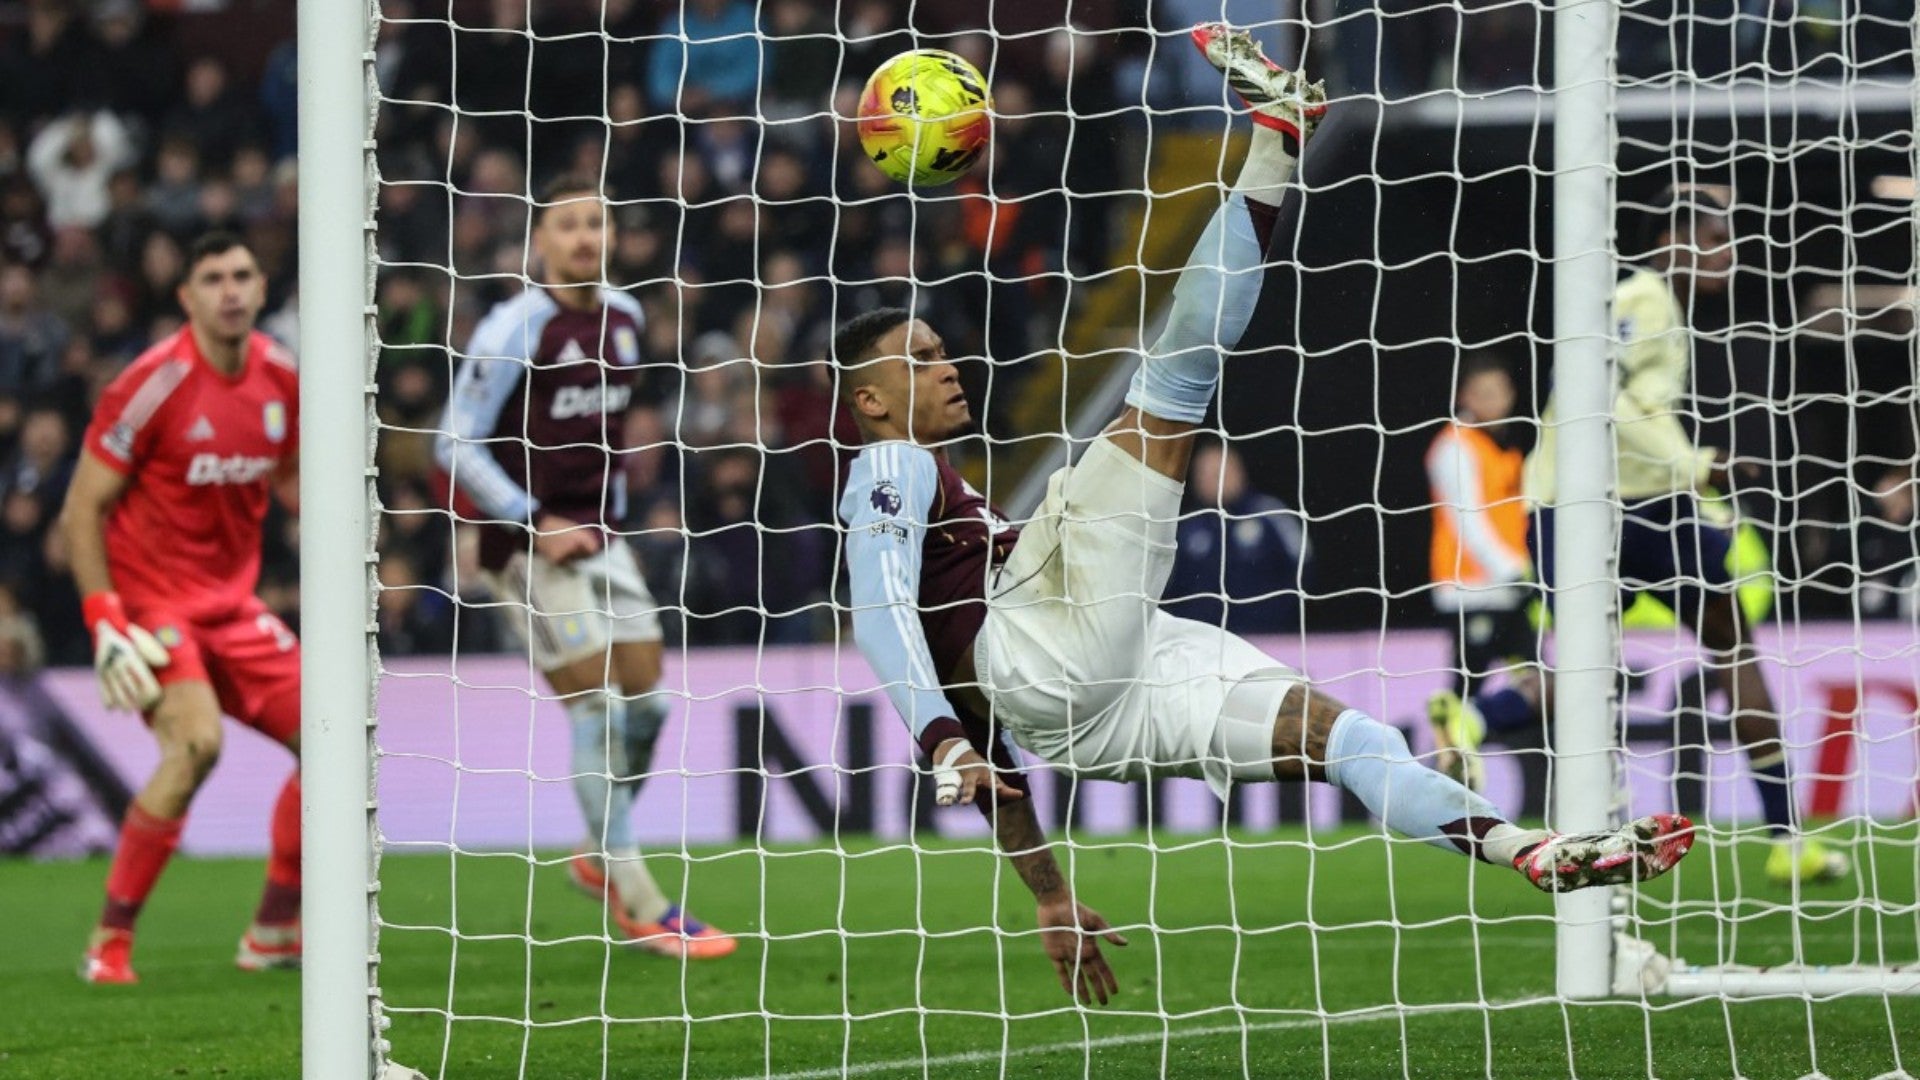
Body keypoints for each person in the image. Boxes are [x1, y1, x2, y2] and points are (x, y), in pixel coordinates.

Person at [836, 26, 1694, 1006]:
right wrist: (940, 739)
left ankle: (1526, 850)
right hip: (1043, 647)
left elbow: (997, 752)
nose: (947, 366)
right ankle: (1278, 137)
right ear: (870, 401)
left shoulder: (951, 512)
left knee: (1343, 739)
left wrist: (1049, 894)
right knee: (1173, 379)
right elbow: (879, 611)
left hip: (1096, 709)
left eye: (942, 349)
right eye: (920, 359)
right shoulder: (888, 467)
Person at [436, 175, 733, 958]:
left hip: (605, 539)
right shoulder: (513, 328)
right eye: (567, 225)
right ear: (539, 241)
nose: (583, 238)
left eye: (595, 223)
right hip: (525, 548)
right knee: (598, 708)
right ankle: (643, 904)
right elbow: (453, 443)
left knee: (649, 708)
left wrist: (616, 514)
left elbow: (608, 436)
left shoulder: (627, 318)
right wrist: (532, 519)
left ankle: (600, 853)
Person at [1523, 184, 1845, 886]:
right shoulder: (1643, 298)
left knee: (1593, 669)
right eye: (1712, 238)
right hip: (1608, 506)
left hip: (1593, 505)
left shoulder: (1657, 307)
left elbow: (1628, 403)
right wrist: (1696, 464)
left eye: (1728, 240)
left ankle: (1475, 720)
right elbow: (1605, 398)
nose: (1726, 253)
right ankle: (1788, 841)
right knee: (1723, 652)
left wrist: (1692, 471)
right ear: (1671, 240)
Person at [63, 232, 302, 983]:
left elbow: (294, 479)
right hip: (153, 604)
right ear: (186, 297)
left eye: (242, 275)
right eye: (213, 278)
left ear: (261, 288)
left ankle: (273, 931)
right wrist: (105, 621)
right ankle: (109, 941)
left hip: (234, 607)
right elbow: (81, 509)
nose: (230, 290)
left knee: (340, 743)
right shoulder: (152, 383)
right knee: (196, 745)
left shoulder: (282, 377)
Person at [1422, 355, 1544, 790]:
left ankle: (1463, 752)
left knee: (1535, 686)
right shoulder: (1454, 447)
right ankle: (1446, 778)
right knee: (1513, 688)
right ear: (1466, 397)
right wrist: (1514, 571)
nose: (1495, 402)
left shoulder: (1501, 447)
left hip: (1506, 592)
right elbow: (1467, 521)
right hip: (1471, 590)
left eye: (1500, 392)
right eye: (1484, 393)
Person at [1163, 440, 1309, 635]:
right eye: (1201, 474)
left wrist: (1277, 620)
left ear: (1238, 472)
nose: (1208, 480)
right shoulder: (1185, 526)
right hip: (1202, 641)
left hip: (1267, 639)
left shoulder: (1270, 514)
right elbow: (1167, 587)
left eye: (1216, 473)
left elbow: (1304, 569)